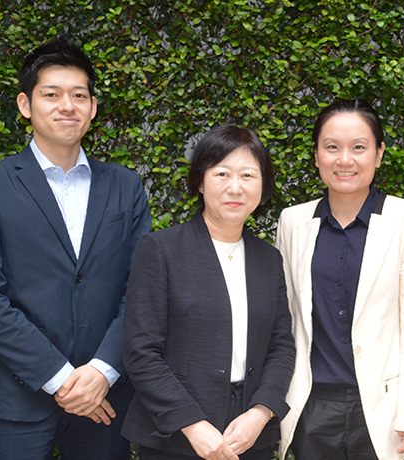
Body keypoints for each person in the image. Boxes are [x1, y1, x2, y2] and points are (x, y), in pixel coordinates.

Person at [0, 37, 152, 459]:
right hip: (20, 400)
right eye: (52, 94)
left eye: (79, 95)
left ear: (93, 107)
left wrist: (102, 370)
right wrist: (63, 378)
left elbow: (142, 290)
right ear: (26, 105)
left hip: (107, 399)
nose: (67, 105)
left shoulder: (126, 186)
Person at [121, 124, 296, 460]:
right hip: (175, 437)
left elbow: (281, 346)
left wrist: (261, 413)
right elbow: (141, 352)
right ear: (200, 182)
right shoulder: (162, 249)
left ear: (263, 186)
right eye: (222, 174)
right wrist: (192, 423)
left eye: (248, 175)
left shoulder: (268, 258)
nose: (235, 187)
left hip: (249, 437)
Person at [276, 98, 404, 460]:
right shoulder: (293, 222)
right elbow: (283, 320)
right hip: (310, 406)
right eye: (331, 147)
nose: (344, 159)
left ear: (379, 154)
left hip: (385, 409)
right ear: (317, 155)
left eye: (359, 148)